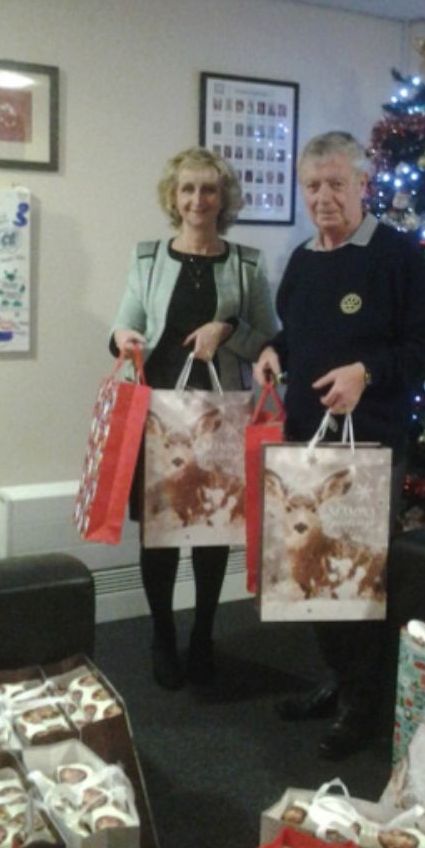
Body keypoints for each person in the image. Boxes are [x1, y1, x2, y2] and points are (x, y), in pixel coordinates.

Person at [253, 131, 425, 760]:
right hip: (305, 445)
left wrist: (367, 372)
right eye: (313, 185)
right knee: (309, 577)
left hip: (368, 448)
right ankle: (339, 681)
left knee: (358, 581)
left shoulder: (397, 257)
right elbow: (299, 334)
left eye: (337, 183)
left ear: (364, 184)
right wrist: (273, 351)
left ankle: (362, 705)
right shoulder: (305, 260)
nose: (324, 197)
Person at [111, 146, 278, 690]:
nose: (197, 200)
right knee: (159, 536)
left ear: (223, 198)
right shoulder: (148, 257)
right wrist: (122, 338)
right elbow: (123, 325)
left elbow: (270, 344)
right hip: (158, 417)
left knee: (211, 531)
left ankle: (203, 634)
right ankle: (163, 634)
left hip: (220, 417)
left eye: (208, 189)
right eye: (187, 189)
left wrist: (227, 330)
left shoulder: (246, 264)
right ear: (173, 196)